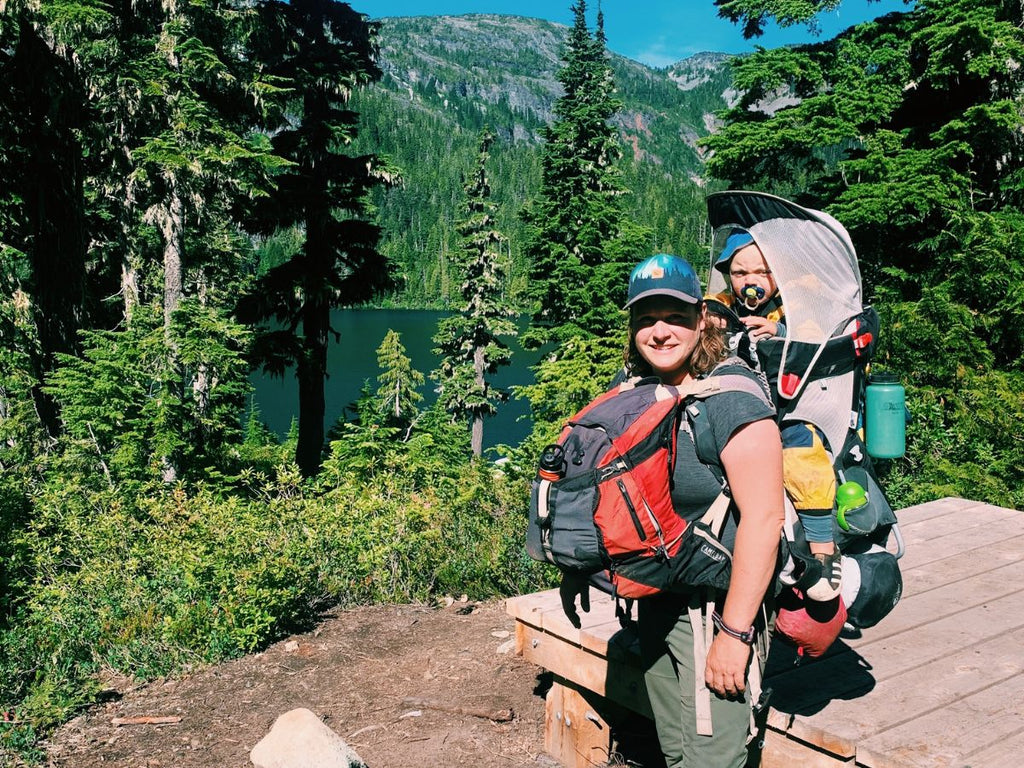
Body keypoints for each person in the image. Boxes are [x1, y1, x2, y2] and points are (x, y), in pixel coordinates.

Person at [561, 253, 785, 768]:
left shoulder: (732, 399)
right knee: (678, 751)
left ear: (702, 317)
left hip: (715, 610)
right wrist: (581, 566)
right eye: (646, 319)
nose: (660, 332)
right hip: (658, 601)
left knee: (714, 757)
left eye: (675, 317)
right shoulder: (640, 391)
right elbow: (609, 489)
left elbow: (765, 519)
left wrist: (735, 634)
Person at [708, 231, 842, 601]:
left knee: (806, 458)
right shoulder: (721, 304)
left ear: (777, 275)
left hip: (788, 407)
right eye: (738, 273)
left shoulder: (793, 306)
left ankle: (823, 548)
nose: (749, 281)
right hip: (735, 406)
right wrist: (710, 325)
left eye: (760, 272)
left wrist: (780, 331)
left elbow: (815, 334)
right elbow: (699, 317)